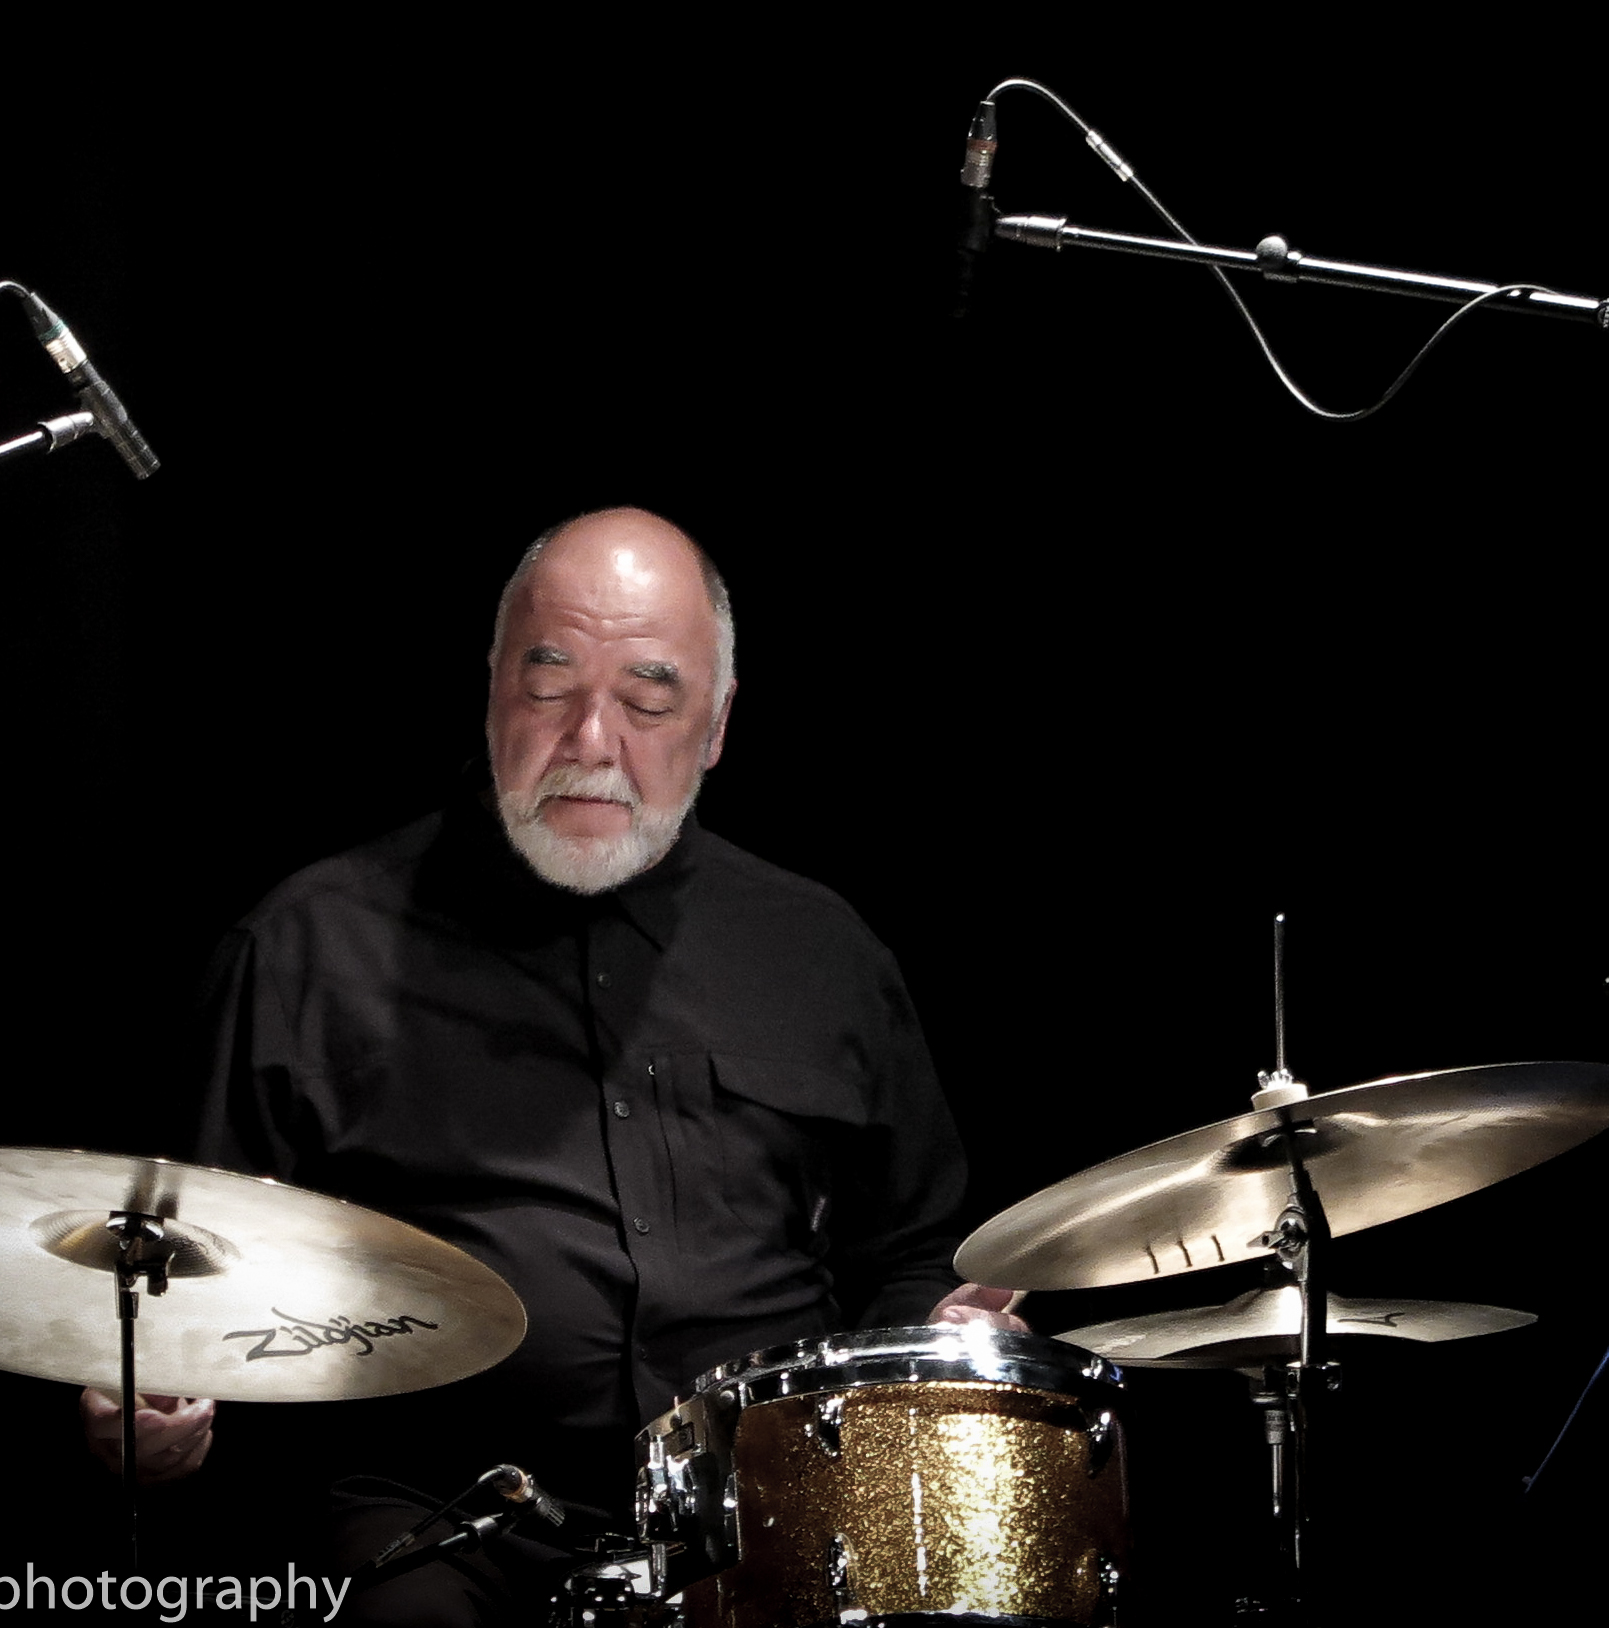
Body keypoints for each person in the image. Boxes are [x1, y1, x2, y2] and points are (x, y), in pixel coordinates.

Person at [81, 507, 1020, 1622]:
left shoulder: (823, 951)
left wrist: (944, 1330)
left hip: (762, 1503)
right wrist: (151, 1411)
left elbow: (908, 1248)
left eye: (648, 696)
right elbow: (176, 1277)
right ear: (490, 693)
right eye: (549, 682)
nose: (589, 739)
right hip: (430, 1509)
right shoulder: (304, 948)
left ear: (713, 725)